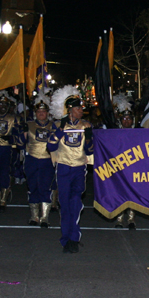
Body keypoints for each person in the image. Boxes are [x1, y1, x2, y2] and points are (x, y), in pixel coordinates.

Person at [47, 86, 94, 254]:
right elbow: (50, 146)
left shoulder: (86, 125)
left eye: (81, 108)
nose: (81, 110)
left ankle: (73, 238)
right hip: (63, 168)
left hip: (79, 169)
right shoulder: (57, 125)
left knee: (75, 202)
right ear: (70, 110)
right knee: (65, 204)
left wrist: (88, 139)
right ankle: (65, 238)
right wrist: (60, 130)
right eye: (78, 108)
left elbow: (89, 151)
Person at [22, 92, 56, 227]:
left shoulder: (53, 126)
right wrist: (22, 132)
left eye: (44, 111)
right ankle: (34, 216)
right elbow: (20, 143)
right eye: (39, 111)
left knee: (45, 187)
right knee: (32, 187)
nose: (41, 113)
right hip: (32, 159)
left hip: (47, 160)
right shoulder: (29, 124)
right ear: (35, 113)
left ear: (48, 113)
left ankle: (44, 218)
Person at [0, 91, 21, 212]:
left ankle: (3, 201)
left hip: (7, 150)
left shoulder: (12, 119)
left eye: (5, 105)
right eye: (0, 104)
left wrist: (12, 138)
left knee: (5, 174)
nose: (3, 107)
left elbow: (18, 135)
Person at [113, 93, 138, 229]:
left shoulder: (138, 134)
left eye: (129, 119)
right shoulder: (115, 134)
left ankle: (131, 219)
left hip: (133, 169)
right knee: (120, 193)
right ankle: (119, 219)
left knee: (132, 194)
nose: (126, 121)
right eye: (124, 119)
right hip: (119, 168)